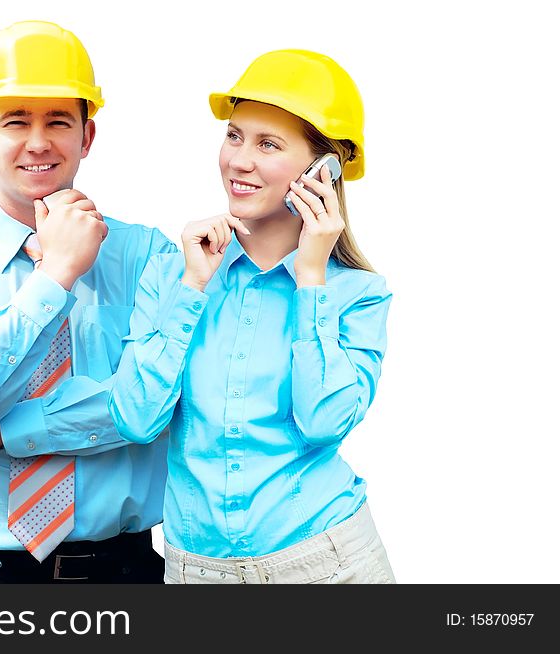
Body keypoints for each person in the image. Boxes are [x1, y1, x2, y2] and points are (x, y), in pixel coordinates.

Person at [0, 20, 174, 583]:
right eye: (16, 121)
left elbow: (151, 407)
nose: (39, 141)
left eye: (59, 121)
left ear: (87, 136)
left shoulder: (150, 257)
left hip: (123, 570)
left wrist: (3, 432)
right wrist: (54, 277)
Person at [108, 49, 395, 584]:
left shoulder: (357, 294)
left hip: (327, 566)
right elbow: (135, 418)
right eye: (235, 135)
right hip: (196, 574)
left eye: (268, 144)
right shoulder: (173, 274)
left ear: (323, 171)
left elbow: (323, 422)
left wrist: (311, 277)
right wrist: (192, 287)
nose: (239, 160)